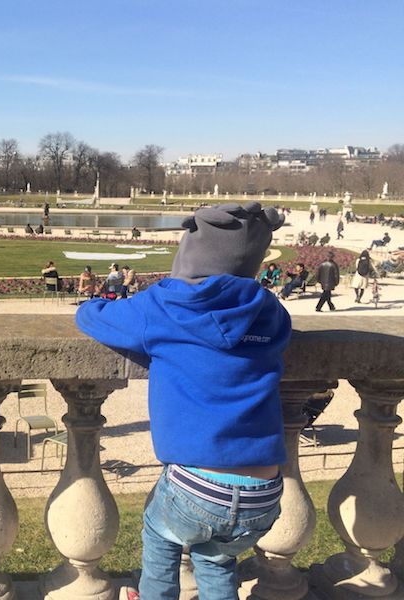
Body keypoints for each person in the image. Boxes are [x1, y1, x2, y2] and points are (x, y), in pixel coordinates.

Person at [77, 202, 288, 600]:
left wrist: (156, 346)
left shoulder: (166, 305)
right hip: (265, 493)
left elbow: (93, 317)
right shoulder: (269, 310)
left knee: (160, 533)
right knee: (216, 559)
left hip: (198, 488)